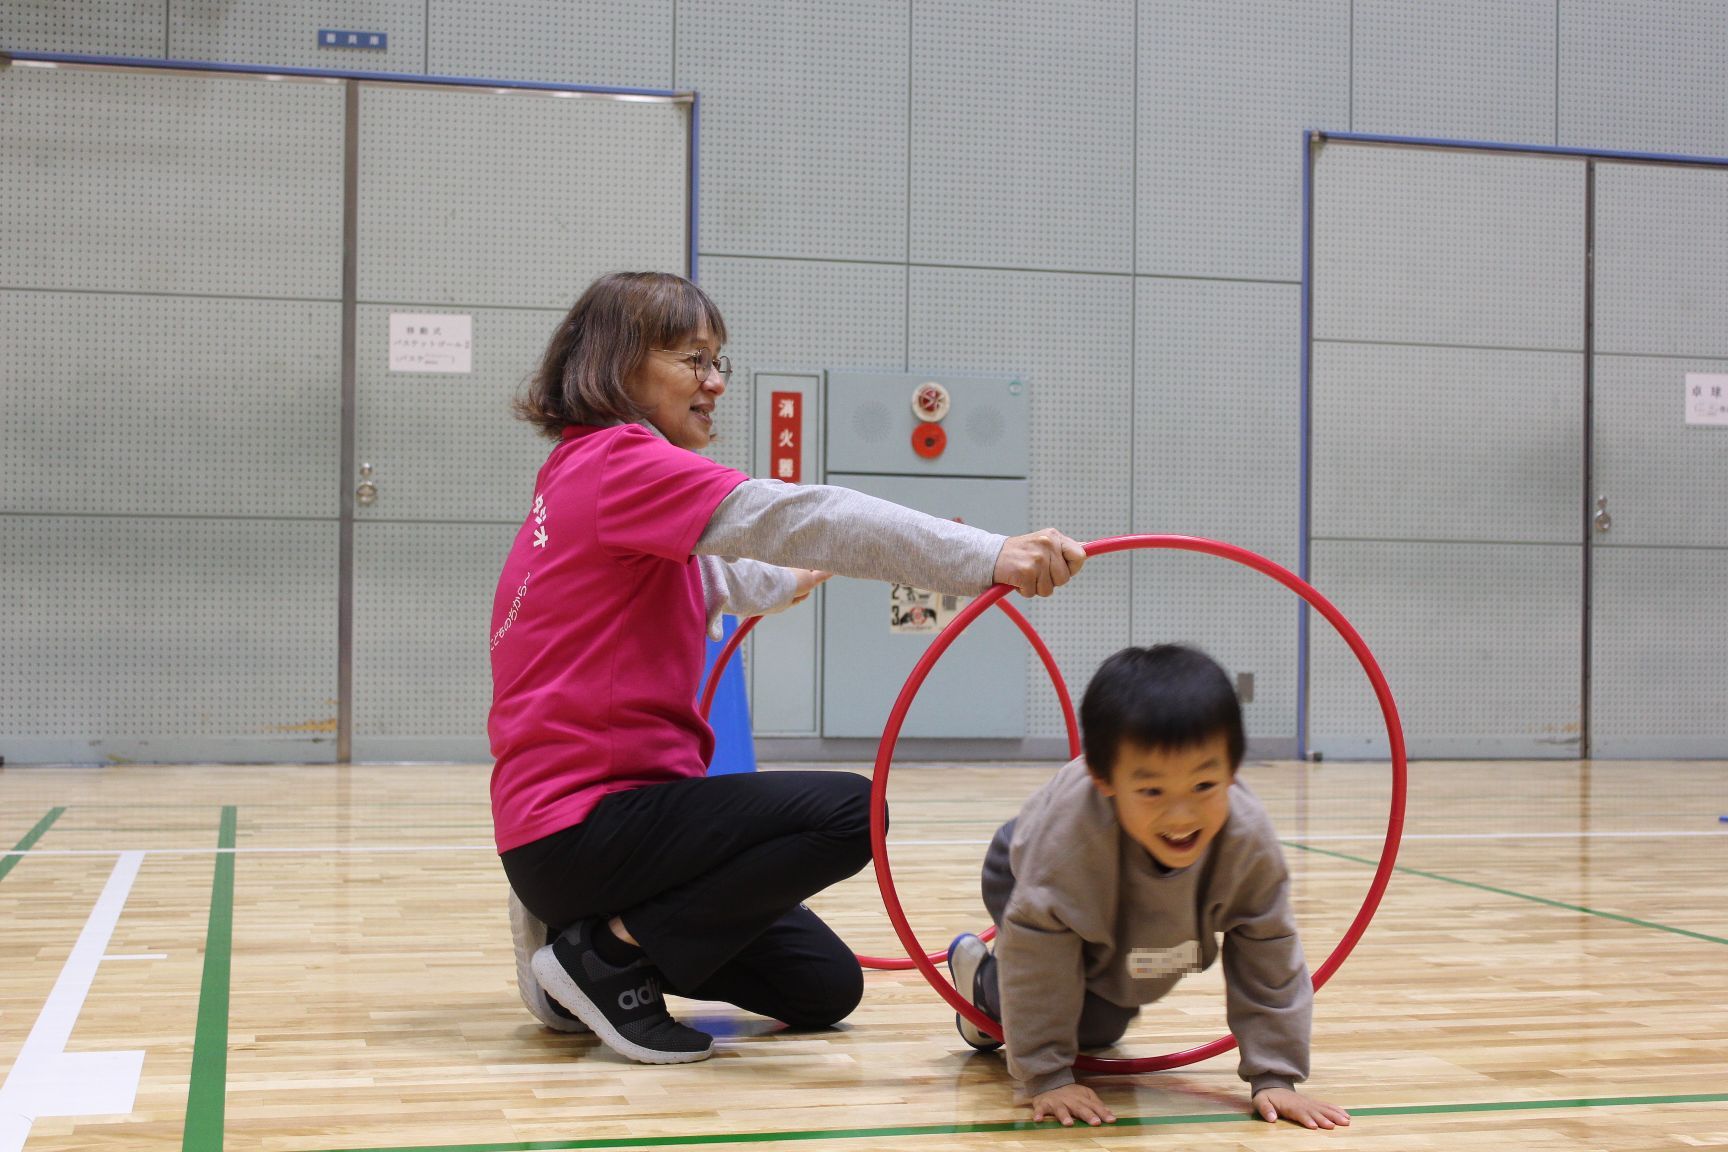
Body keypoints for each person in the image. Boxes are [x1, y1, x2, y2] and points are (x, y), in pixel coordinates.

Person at [489, 271, 1087, 1065]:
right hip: (585, 827)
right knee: (848, 812)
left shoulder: (583, 476)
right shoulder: (620, 462)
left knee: (824, 990)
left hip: (585, 837)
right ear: (619, 365)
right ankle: (607, 958)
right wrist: (989, 556)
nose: (714, 383)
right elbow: (802, 519)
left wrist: (816, 569)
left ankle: (578, 948)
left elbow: (734, 574)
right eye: (692, 360)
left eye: (719, 362)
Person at [946, 645, 1351, 1130]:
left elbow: (1269, 951)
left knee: (1100, 1027)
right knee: (1054, 984)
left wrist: (1275, 1078)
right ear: (1103, 777)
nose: (1181, 817)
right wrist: (1046, 1076)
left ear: (1233, 769)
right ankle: (985, 991)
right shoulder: (1068, 849)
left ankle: (1013, 1004)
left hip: (1134, 889)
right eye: (1153, 791)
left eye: (1204, 786)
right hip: (1023, 872)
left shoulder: (1248, 841)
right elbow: (1040, 953)